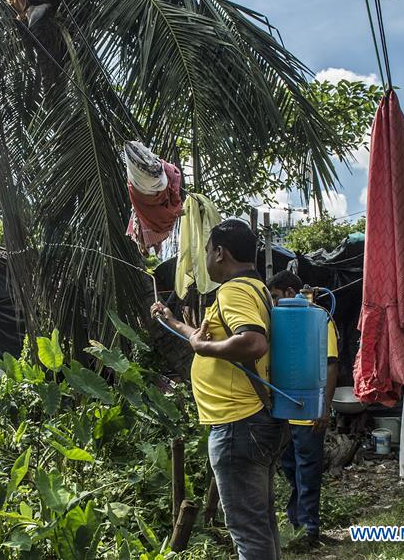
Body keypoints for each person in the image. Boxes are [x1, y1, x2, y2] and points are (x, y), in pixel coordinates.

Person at [151, 219, 287, 560]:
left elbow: (251, 342)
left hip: (238, 425)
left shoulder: (233, 291)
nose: (207, 258)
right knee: (260, 522)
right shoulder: (256, 289)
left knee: (248, 532)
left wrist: (204, 350)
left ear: (220, 252)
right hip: (255, 421)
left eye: (208, 250)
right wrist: (171, 321)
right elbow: (207, 338)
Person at [267, 270, 339, 550]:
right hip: (285, 409)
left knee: (307, 471)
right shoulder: (279, 320)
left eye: (275, 296)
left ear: (289, 292)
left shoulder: (319, 318)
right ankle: (298, 523)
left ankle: (309, 530)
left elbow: (331, 364)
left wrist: (324, 408)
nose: (273, 303)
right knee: (291, 468)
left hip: (310, 408)